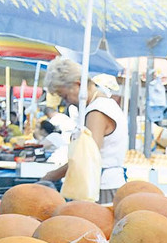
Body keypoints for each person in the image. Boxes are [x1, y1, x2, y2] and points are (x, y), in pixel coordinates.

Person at [41, 57, 128, 203]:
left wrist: (51, 175)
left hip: (101, 188)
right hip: (101, 184)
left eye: (65, 96)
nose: (66, 101)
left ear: (78, 85)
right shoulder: (103, 105)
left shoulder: (97, 111)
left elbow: (86, 158)